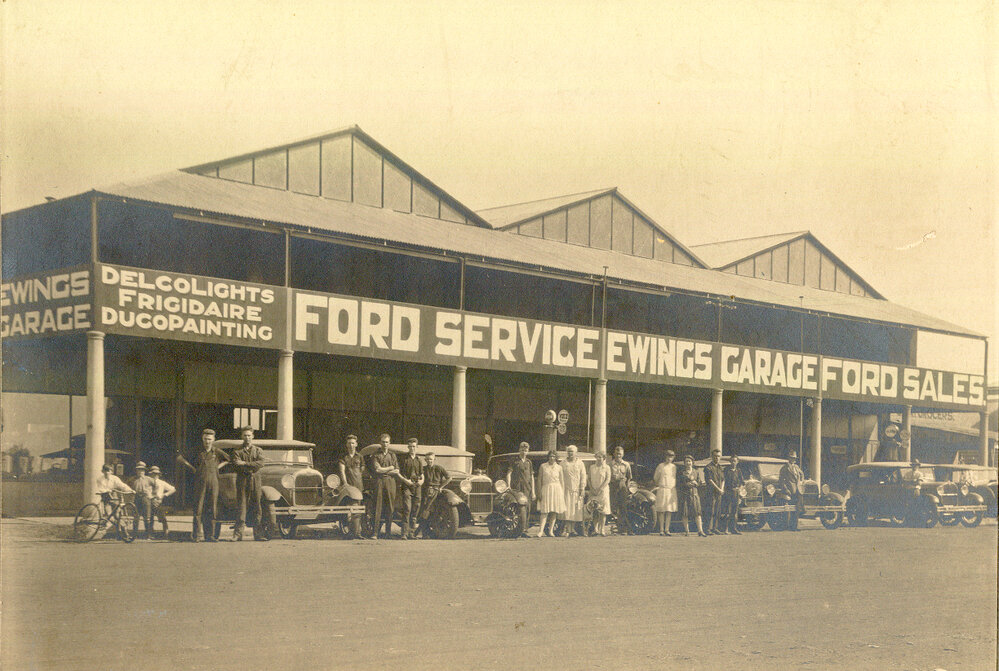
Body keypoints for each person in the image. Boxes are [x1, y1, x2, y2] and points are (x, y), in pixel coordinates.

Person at [177, 428, 229, 542]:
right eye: (205, 439)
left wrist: (217, 467)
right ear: (202, 438)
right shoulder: (197, 450)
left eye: (210, 439)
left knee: (212, 508)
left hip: (214, 482)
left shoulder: (216, 451)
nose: (207, 441)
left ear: (213, 439)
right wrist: (192, 468)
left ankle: (210, 535)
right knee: (198, 509)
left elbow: (228, 460)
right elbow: (180, 458)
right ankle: (196, 536)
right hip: (200, 482)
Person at [231, 426, 269, 541]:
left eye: (249, 435)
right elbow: (236, 464)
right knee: (241, 507)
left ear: (253, 436)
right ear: (242, 437)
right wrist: (251, 465)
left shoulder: (258, 450)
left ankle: (258, 534)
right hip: (242, 481)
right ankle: (237, 534)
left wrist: (245, 463)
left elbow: (261, 463)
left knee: (257, 506)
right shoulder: (237, 451)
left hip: (255, 481)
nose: (247, 438)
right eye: (245, 435)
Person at [370, 433, 399, 539]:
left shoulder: (392, 455)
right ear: (380, 442)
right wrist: (390, 468)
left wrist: (386, 470)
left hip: (391, 482)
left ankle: (388, 533)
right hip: (379, 482)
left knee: (390, 507)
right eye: (383, 442)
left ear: (389, 443)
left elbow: (397, 470)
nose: (385, 444)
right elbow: (378, 469)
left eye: (387, 442)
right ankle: (375, 533)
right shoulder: (376, 455)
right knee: (378, 506)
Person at [418, 451, 452, 538]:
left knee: (430, 511)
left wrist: (441, 487)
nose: (429, 461)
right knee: (424, 510)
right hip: (425, 491)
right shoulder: (423, 469)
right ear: (425, 460)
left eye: (431, 459)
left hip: (436, 491)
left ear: (434, 459)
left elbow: (449, 478)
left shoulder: (439, 468)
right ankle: (425, 533)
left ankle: (426, 531)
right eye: (428, 459)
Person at [337, 434, 365, 538]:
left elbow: (362, 469)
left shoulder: (360, 457)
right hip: (348, 487)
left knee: (358, 510)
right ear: (346, 445)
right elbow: (342, 471)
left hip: (358, 486)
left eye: (353, 443)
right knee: (349, 509)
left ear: (356, 444)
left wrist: (357, 476)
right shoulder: (344, 457)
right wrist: (345, 483)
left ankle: (357, 533)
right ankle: (350, 532)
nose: (351, 445)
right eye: (349, 443)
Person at [505, 442, 535, 538]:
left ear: (528, 451)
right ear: (519, 450)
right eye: (522, 449)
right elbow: (509, 473)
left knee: (527, 508)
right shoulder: (514, 461)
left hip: (527, 488)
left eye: (526, 450)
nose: (524, 452)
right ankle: (518, 530)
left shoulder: (529, 462)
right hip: (517, 488)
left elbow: (532, 477)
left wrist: (533, 491)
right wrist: (508, 486)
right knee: (518, 508)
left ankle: (524, 530)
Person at [397, 438, 424, 540]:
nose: (412, 448)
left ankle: (411, 533)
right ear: (408, 447)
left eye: (414, 446)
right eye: (410, 446)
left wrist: (422, 481)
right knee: (407, 509)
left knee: (415, 508)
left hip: (417, 486)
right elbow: (398, 472)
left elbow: (421, 474)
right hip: (407, 486)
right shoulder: (404, 459)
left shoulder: (418, 460)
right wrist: (405, 481)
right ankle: (404, 533)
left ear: (417, 447)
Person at [559, 445, 587, 536]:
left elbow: (583, 476)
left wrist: (582, 488)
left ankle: (573, 529)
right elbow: (559, 476)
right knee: (567, 509)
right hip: (566, 489)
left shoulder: (580, 463)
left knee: (576, 509)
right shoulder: (563, 463)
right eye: (569, 451)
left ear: (576, 453)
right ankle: (568, 529)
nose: (570, 453)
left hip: (577, 489)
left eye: (572, 451)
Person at [536, 449, 566, 537]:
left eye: (553, 456)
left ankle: (550, 531)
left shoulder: (559, 467)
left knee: (554, 511)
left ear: (556, 458)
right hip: (546, 488)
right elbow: (539, 479)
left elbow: (562, 481)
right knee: (544, 511)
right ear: (548, 457)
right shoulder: (543, 466)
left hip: (557, 489)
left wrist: (562, 493)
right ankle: (540, 531)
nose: (552, 458)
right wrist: (539, 491)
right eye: (550, 456)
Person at [677, 455, 706, 537]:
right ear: (684, 463)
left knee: (697, 513)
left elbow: (700, 482)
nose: (688, 463)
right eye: (686, 461)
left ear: (692, 462)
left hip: (694, 494)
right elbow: (679, 484)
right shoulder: (681, 473)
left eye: (689, 461)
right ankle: (687, 531)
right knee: (685, 513)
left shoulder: (696, 471)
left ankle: (700, 531)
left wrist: (696, 483)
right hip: (685, 494)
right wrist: (686, 484)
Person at [146, 466, 176, 539]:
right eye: (153, 474)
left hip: (158, 501)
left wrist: (164, 495)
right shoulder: (147, 482)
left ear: (159, 475)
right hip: (149, 501)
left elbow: (173, 489)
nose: (155, 475)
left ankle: (166, 531)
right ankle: (150, 534)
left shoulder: (161, 483)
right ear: (150, 474)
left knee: (162, 517)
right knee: (149, 518)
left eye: (157, 474)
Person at [609, 445, 633, 535]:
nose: (618, 456)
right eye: (617, 454)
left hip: (623, 486)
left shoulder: (626, 464)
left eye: (620, 454)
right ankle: (613, 528)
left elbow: (629, 477)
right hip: (613, 486)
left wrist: (627, 489)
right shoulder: (610, 464)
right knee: (613, 507)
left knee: (623, 508)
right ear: (614, 454)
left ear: (622, 454)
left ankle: (622, 529)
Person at [779, 451, 806, 531]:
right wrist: (786, 489)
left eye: (794, 458)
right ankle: (788, 526)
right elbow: (781, 480)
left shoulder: (797, 467)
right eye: (791, 458)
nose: (793, 459)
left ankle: (794, 527)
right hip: (790, 490)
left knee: (797, 510)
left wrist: (801, 481)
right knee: (789, 510)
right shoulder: (785, 468)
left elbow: (802, 474)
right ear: (789, 458)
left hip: (798, 490)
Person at [587, 449, 611, 536]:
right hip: (593, 491)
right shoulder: (592, 467)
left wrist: (600, 489)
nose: (599, 459)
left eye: (600, 457)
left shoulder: (607, 468)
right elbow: (589, 478)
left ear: (604, 458)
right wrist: (592, 489)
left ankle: (602, 529)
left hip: (603, 491)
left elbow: (607, 479)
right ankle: (595, 529)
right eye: (597, 457)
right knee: (594, 509)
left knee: (603, 511)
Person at [653, 450, 677, 536]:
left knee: (669, 510)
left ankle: (667, 529)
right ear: (665, 457)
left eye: (671, 457)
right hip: (662, 489)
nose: (669, 458)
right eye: (668, 456)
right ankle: (661, 530)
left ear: (673, 458)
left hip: (671, 490)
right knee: (661, 510)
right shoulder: (661, 466)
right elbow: (656, 478)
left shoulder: (674, 467)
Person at [130, 461, 154, 539]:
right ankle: (134, 535)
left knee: (147, 517)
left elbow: (157, 488)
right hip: (136, 498)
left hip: (146, 498)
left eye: (142, 470)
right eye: (138, 470)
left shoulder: (149, 479)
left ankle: (148, 535)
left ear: (144, 471)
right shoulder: (132, 479)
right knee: (136, 517)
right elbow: (128, 488)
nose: (140, 471)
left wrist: (152, 496)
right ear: (136, 471)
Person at [721, 455, 745, 535]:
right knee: (727, 511)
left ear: (737, 462)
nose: (733, 463)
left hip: (736, 493)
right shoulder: (726, 470)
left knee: (734, 512)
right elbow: (723, 481)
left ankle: (734, 529)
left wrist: (739, 489)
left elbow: (742, 482)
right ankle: (725, 529)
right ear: (730, 462)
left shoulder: (738, 471)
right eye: (732, 461)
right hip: (728, 492)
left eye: (735, 461)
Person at [704, 449, 726, 535]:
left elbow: (723, 479)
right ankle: (707, 529)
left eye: (718, 456)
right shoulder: (708, 467)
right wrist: (718, 489)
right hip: (711, 492)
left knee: (717, 510)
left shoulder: (720, 467)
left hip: (719, 492)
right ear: (712, 457)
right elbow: (710, 480)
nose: (717, 458)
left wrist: (722, 489)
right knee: (710, 510)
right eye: (715, 456)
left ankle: (715, 528)